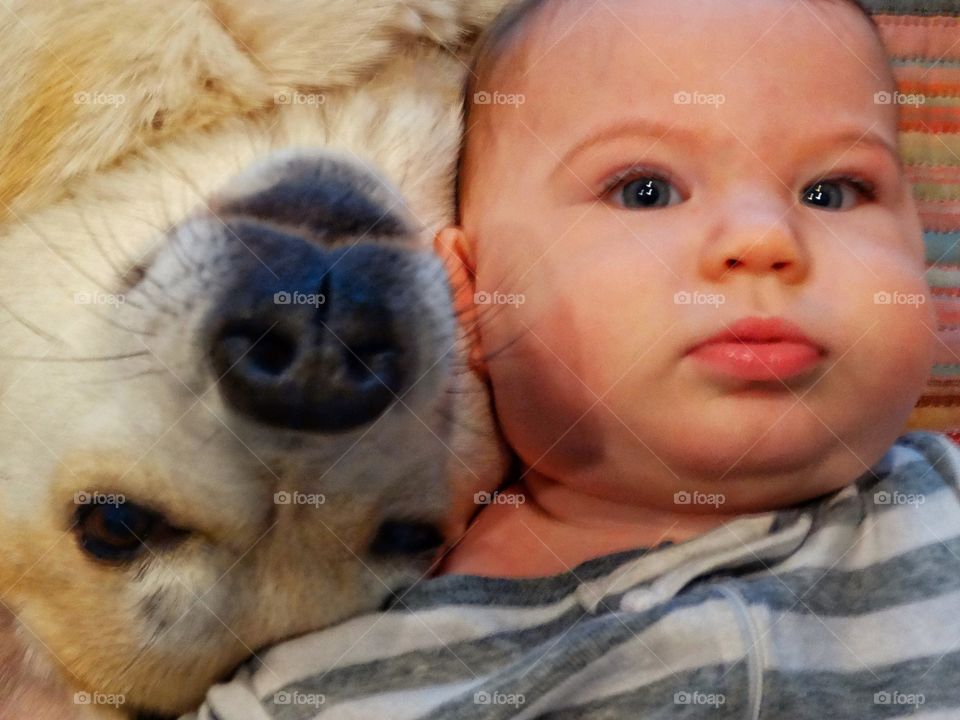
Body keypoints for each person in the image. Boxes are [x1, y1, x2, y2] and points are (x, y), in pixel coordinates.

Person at [188, 0, 960, 717]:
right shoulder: (337, 668)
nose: (764, 241)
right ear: (469, 296)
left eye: (833, 192)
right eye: (646, 191)